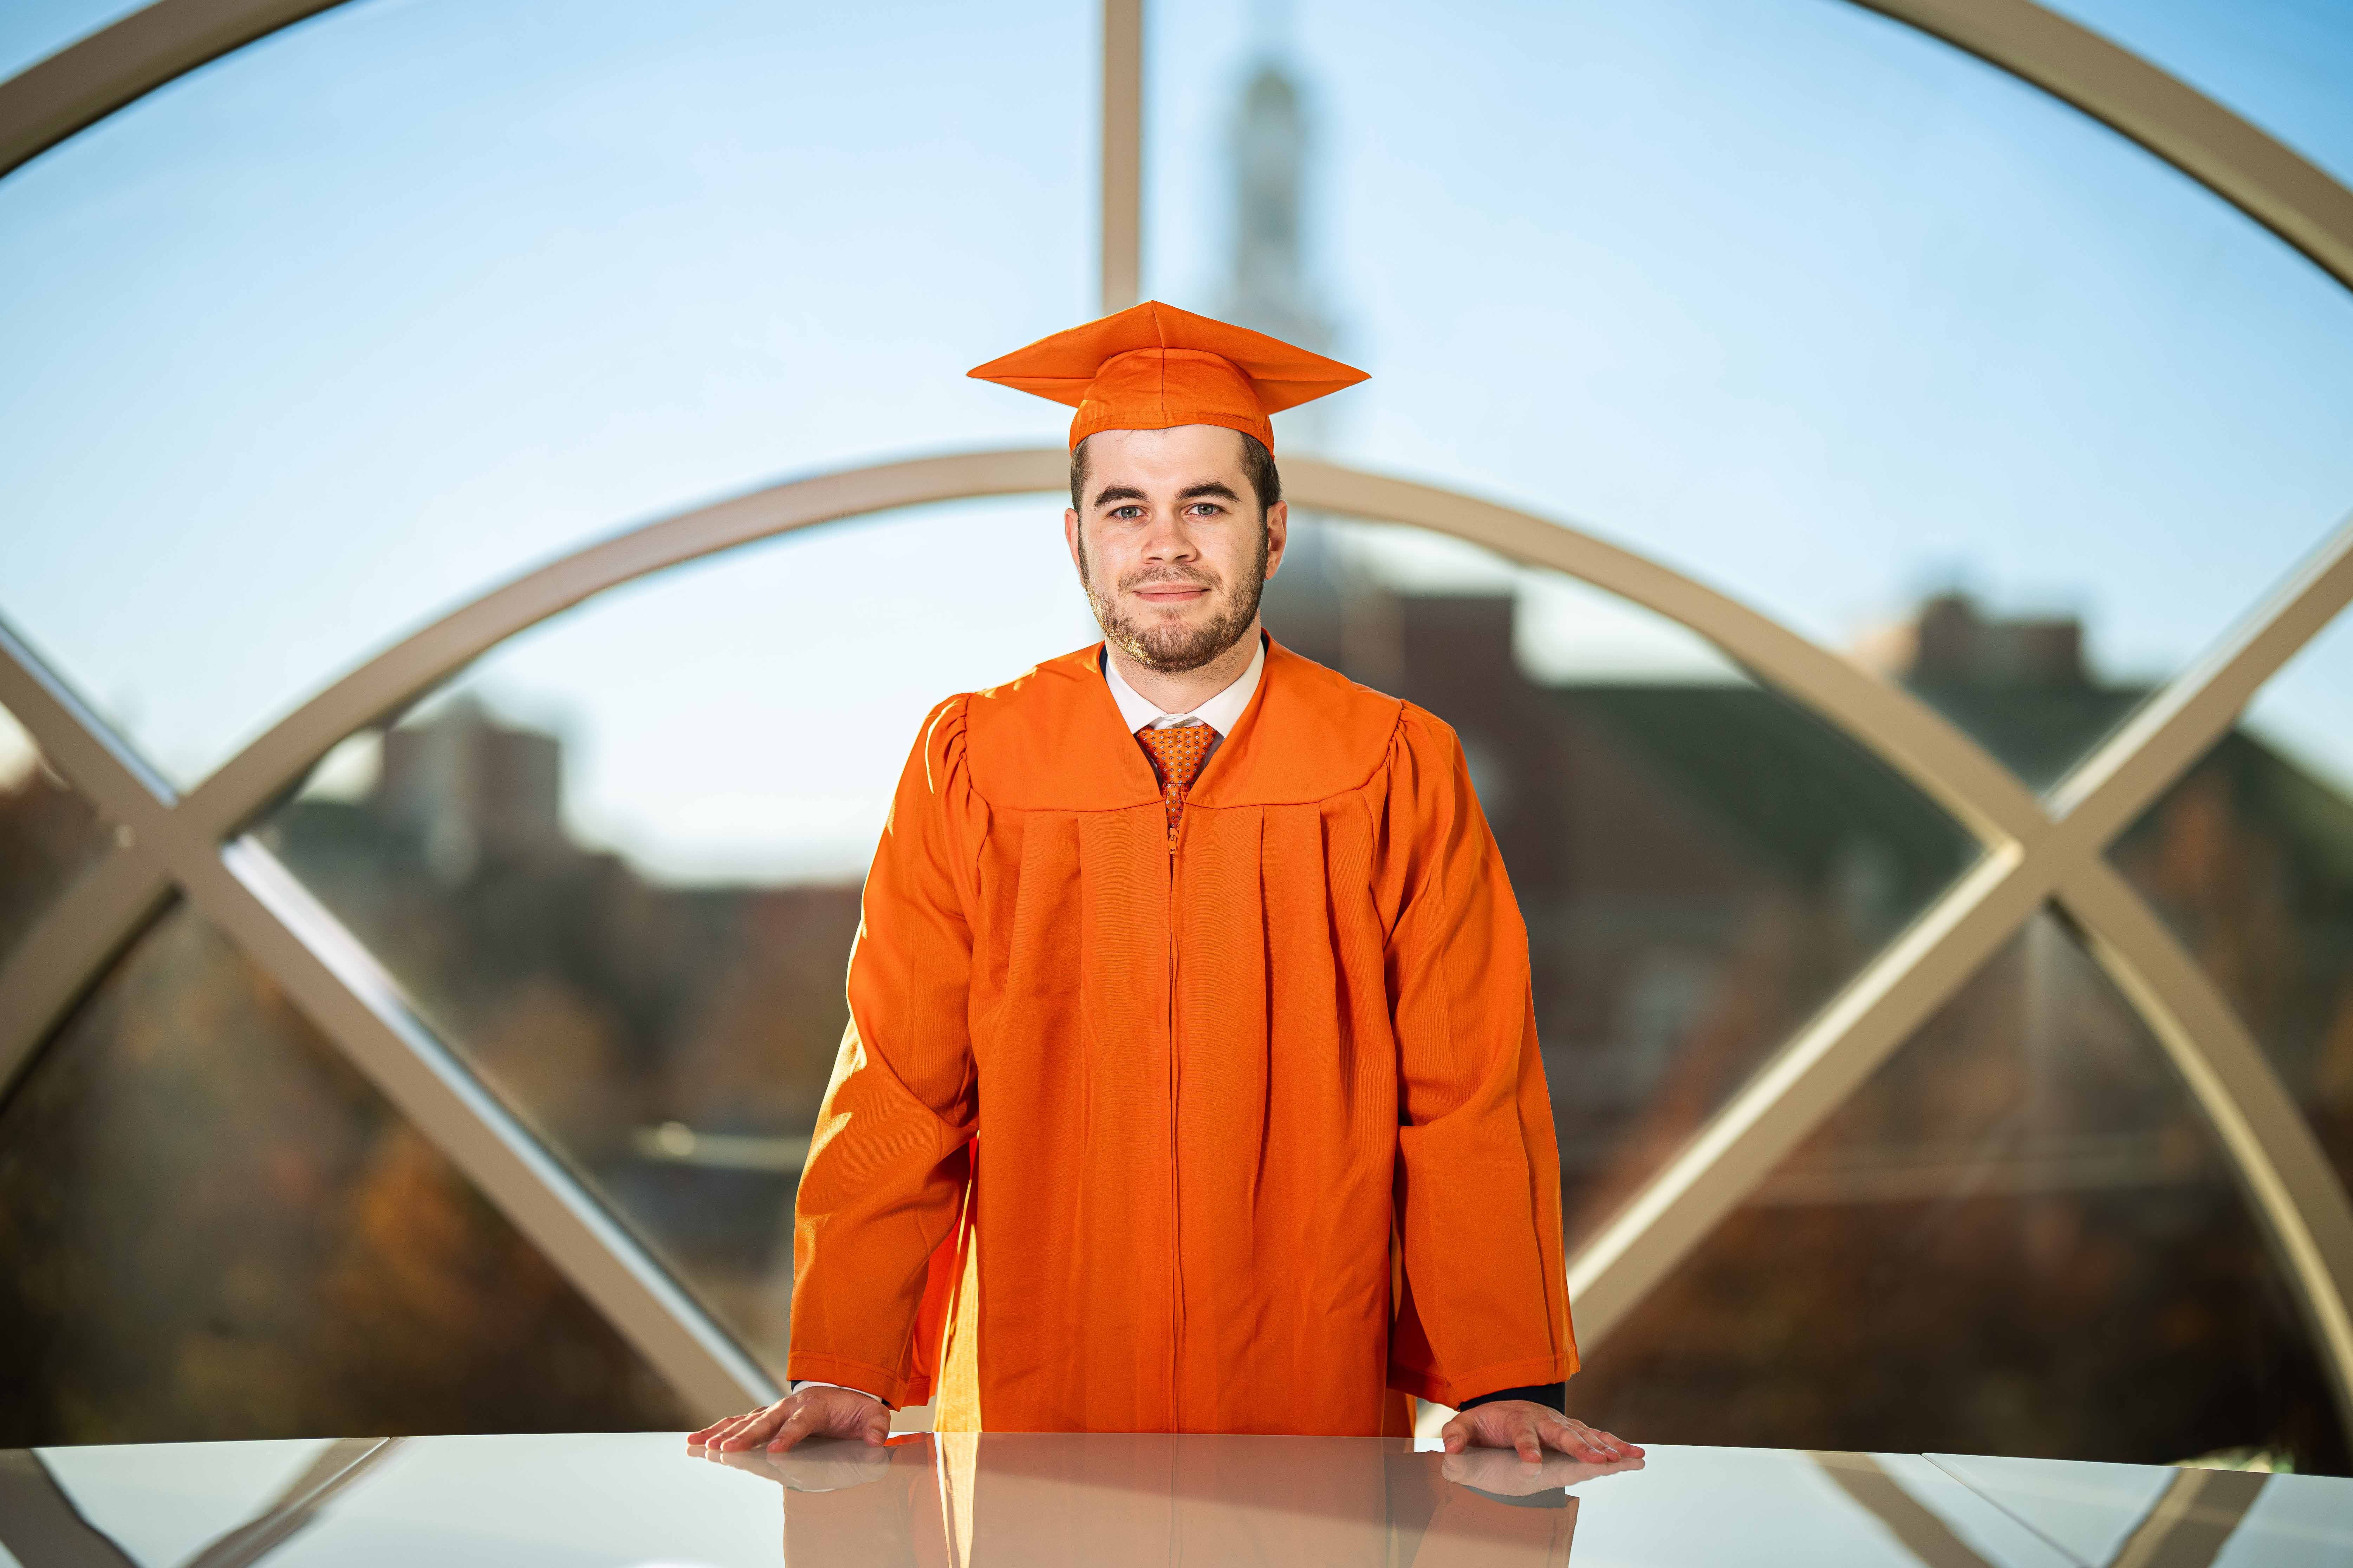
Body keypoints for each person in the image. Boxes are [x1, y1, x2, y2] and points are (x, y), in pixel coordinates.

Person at [691, 301, 1638, 1466]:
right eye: (1126, 507)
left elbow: (1466, 1092)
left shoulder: (1394, 766)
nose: (1167, 545)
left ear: (1274, 532)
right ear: (1077, 538)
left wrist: (1501, 1376)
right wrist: (841, 1361)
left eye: (1207, 503)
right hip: (1040, 1392)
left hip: (1309, 1386)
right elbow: (896, 1080)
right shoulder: (975, 763)